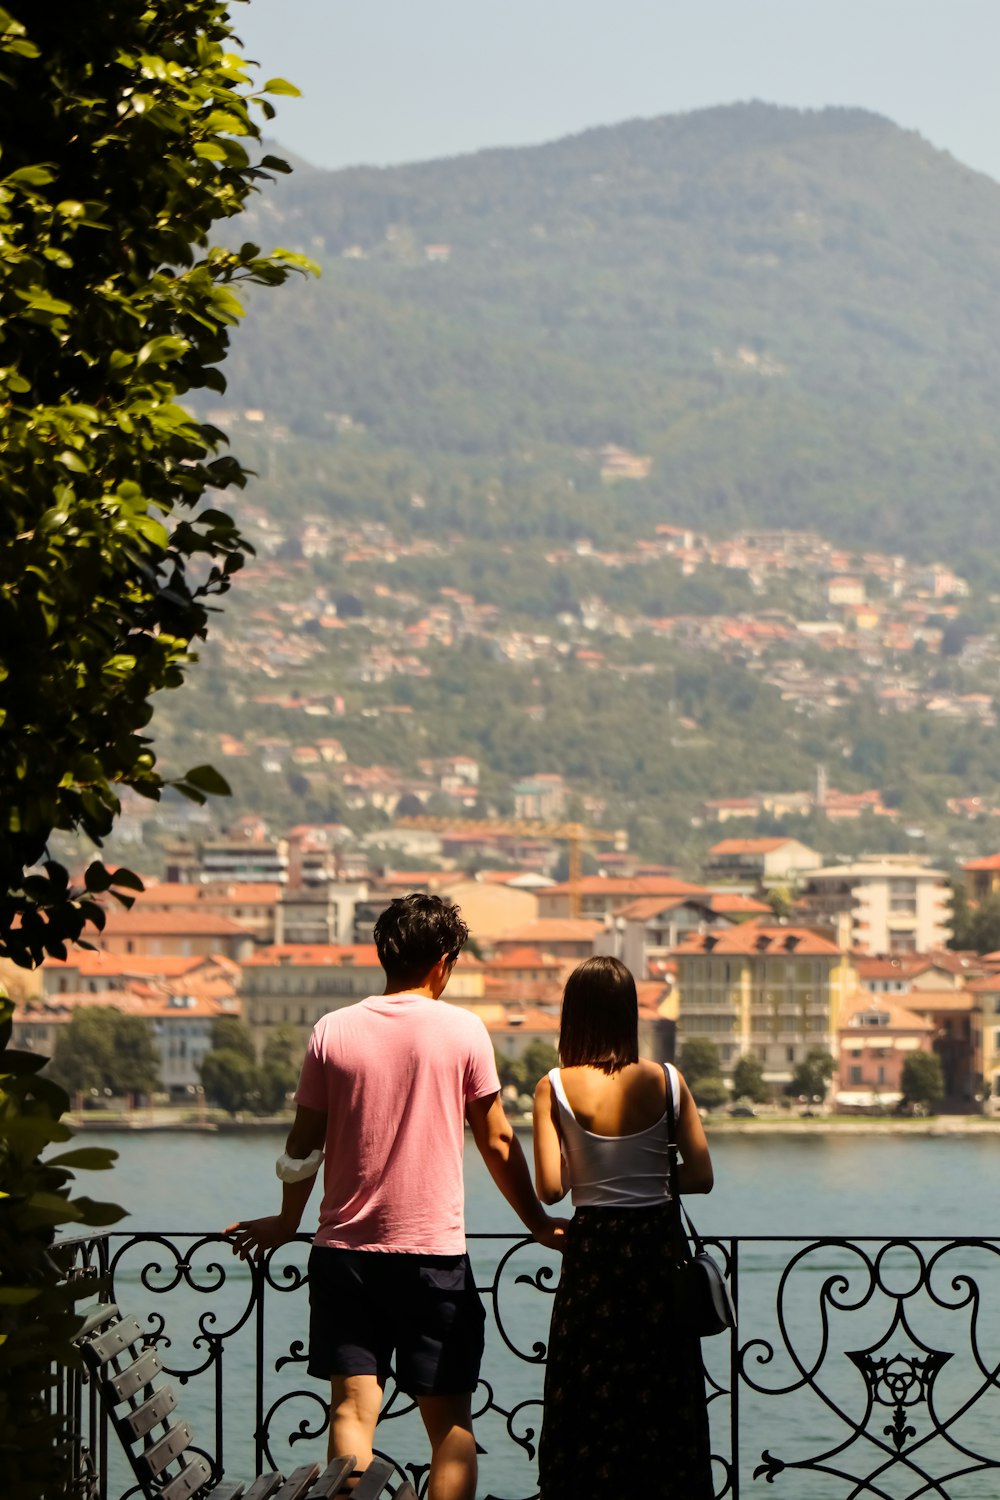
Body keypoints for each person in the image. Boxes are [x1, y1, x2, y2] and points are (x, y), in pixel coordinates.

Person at [227, 893, 566, 1500]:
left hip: (345, 1255)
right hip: (432, 1256)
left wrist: (286, 1219)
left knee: (352, 1413)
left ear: (385, 954)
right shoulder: (464, 1030)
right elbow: (495, 1138)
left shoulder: (332, 1030)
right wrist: (538, 1223)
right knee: (451, 1425)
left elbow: (304, 1141)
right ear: (444, 960)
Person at [532, 954, 715, 1499]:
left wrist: (593, 1171)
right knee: (662, 1394)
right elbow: (701, 1176)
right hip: (657, 1250)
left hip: (594, 1257)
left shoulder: (554, 1086)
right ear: (629, 1014)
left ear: (574, 1016)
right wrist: (648, 1178)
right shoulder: (667, 1080)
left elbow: (548, 1189)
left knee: (588, 1394)